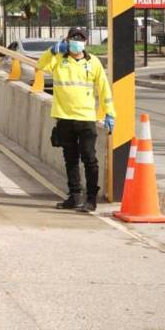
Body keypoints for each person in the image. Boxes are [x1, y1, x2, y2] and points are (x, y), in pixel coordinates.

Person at [37, 26, 116, 212]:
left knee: (89, 158)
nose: (76, 41)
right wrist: (52, 50)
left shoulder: (94, 63)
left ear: (86, 42)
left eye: (80, 38)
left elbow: (104, 89)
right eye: (73, 37)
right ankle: (74, 196)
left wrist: (110, 112)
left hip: (86, 118)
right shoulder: (58, 59)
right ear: (67, 39)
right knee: (70, 159)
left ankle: (91, 199)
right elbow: (40, 65)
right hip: (64, 117)